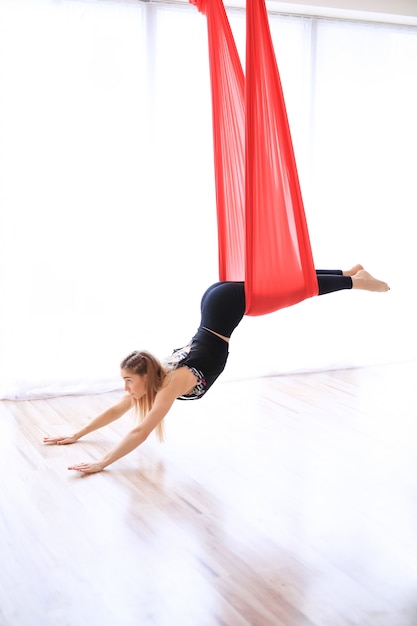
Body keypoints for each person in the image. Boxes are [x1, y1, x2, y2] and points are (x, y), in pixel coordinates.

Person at [43, 265, 389, 474]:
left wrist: (103, 462)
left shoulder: (172, 382)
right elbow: (118, 409)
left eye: (128, 381)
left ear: (146, 378)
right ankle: (347, 274)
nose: (125, 390)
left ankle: (356, 281)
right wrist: (77, 434)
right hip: (215, 302)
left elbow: (140, 431)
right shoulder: (159, 374)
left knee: (292, 289)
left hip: (223, 306)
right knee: (287, 285)